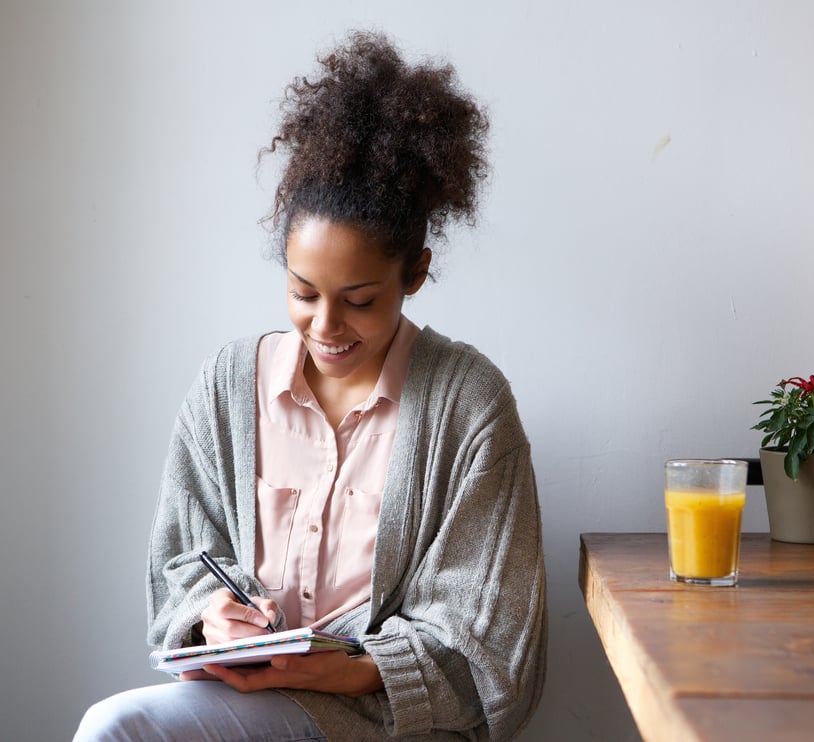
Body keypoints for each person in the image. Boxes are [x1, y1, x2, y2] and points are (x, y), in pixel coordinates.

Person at [75, 30, 546, 741]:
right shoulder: (226, 388)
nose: (325, 326)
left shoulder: (470, 405)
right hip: (248, 700)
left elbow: (491, 638)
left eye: (359, 299)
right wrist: (214, 613)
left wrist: (358, 667)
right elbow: (181, 560)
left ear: (414, 274)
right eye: (302, 293)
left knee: (121, 730)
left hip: (383, 719)